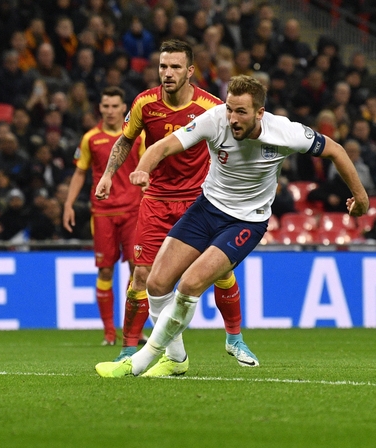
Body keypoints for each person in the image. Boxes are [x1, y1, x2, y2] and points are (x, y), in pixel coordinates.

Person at [95, 75, 370, 378]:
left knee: (190, 284)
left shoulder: (286, 132)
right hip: (206, 208)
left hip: (247, 220)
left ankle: (139, 362)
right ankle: (176, 359)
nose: (232, 118)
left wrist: (360, 197)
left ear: (259, 113)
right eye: (229, 109)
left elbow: (336, 151)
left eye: (241, 112)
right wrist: (142, 169)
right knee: (157, 283)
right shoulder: (214, 120)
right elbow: (163, 146)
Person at [96, 40, 255, 374]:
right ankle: (130, 348)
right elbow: (126, 139)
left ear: (190, 71)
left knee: (221, 270)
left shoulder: (211, 106)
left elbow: (237, 143)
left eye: (175, 67)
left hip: (199, 201)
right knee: (142, 275)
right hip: (155, 200)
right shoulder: (144, 103)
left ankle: (235, 337)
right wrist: (110, 174)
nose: (167, 73)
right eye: (163, 67)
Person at [63, 87, 143, 346]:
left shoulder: (138, 138)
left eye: (114, 106)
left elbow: (146, 171)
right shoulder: (90, 139)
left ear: (124, 109)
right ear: (100, 108)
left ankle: (133, 330)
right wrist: (68, 204)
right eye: (105, 106)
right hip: (103, 213)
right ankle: (109, 332)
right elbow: (79, 173)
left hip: (133, 211)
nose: (110, 111)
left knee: (138, 270)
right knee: (105, 270)